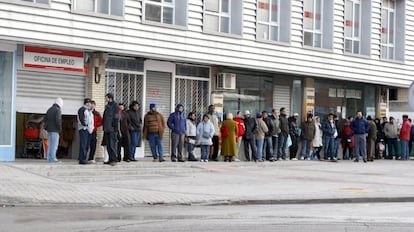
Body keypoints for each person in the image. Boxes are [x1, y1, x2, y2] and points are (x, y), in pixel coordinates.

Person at [102, 93, 119, 166]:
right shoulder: (107, 106)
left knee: (112, 145)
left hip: (112, 128)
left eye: (106, 98)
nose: (105, 99)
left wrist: (115, 127)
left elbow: (116, 117)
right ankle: (110, 159)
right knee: (108, 145)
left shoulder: (115, 106)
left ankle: (114, 159)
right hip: (106, 128)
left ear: (110, 98)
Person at [44, 97, 63, 163]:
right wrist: (60, 128)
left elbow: (45, 119)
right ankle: (53, 158)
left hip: (49, 130)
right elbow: (58, 120)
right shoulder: (57, 110)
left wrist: (47, 127)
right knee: (54, 145)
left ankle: (49, 158)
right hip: (55, 130)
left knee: (50, 145)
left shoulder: (49, 109)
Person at [77, 98, 94, 165]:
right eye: (89, 103)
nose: (90, 104)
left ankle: (84, 158)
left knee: (86, 144)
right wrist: (85, 125)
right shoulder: (82, 109)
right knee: (83, 144)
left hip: (88, 130)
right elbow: (81, 119)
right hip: (83, 129)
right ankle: (82, 159)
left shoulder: (89, 111)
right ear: (86, 103)